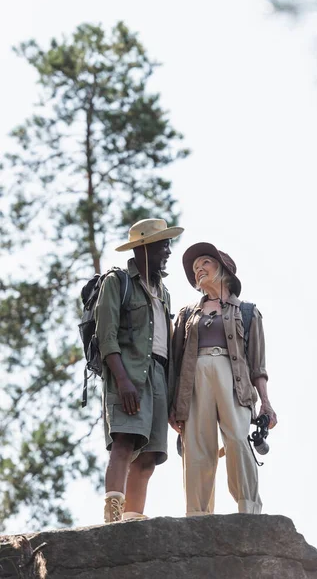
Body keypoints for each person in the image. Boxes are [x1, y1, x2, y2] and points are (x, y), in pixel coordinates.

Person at [170, 242, 277, 516]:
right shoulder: (186, 315)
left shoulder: (248, 312)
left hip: (234, 380)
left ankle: (249, 509)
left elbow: (257, 366)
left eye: (205, 262)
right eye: (195, 268)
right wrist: (174, 406)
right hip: (194, 381)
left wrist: (265, 402)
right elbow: (175, 363)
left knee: (238, 439)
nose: (199, 270)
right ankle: (197, 514)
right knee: (197, 447)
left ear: (225, 270)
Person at [95, 218, 184, 523]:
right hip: (128, 373)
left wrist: (172, 397)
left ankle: (133, 519)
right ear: (144, 247)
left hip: (159, 376)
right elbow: (106, 337)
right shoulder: (117, 282)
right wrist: (122, 380)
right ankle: (113, 517)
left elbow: (167, 347)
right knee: (124, 441)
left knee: (150, 455)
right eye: (163, 244)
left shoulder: (164, 292)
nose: (168, 251)